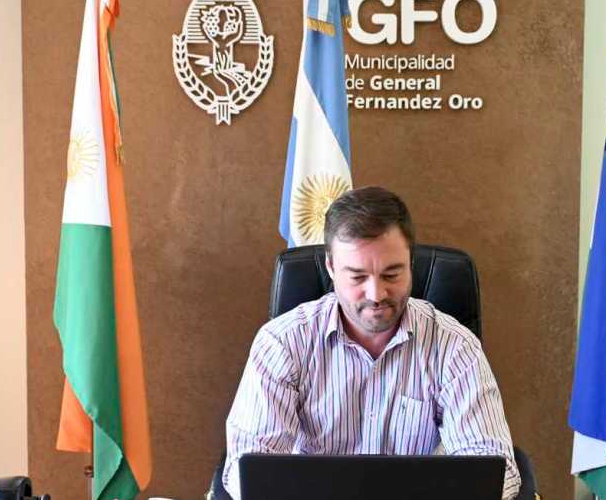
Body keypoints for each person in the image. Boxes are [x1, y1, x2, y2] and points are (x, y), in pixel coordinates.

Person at [222, 186, 521, 499]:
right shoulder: (282, 344)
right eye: (357, 277)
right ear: (331, 268)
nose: (376, 294)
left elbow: (498, 473)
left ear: (411, 264)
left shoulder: (454, 346)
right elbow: (247, 471)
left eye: (391, 275)